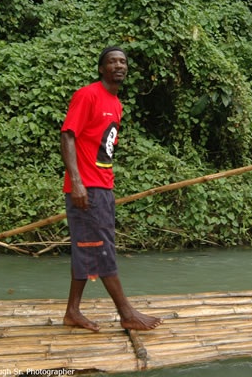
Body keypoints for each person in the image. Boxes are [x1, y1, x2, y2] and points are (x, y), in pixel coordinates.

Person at [60, 46, 163, 332]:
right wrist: (77, 182)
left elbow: (102, 150)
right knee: (101, 249)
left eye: (123, 61)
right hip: (86, 188)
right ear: (102, 68)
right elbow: (68, 136)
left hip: (102, 187)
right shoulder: (88, 95)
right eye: (112, 61)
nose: (119, 65)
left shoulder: (116, 103)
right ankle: (126, 312)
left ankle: (72, 312)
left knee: (88, 247)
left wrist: (107, 188)